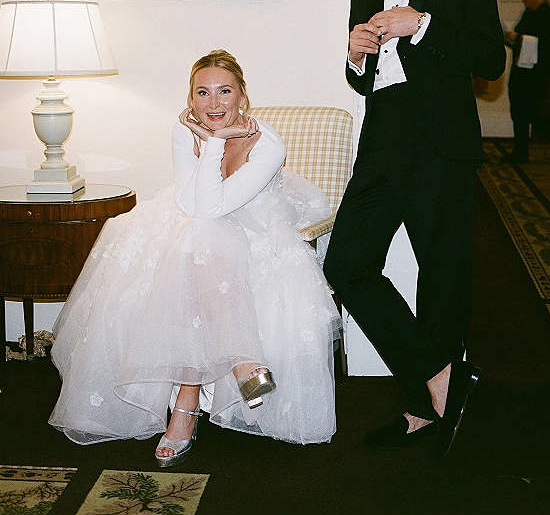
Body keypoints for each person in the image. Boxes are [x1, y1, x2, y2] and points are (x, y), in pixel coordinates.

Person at [49, 50, 341, 463]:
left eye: (224, 91)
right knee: (196, 238)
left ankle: (184, 412)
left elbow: (216, 208)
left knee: (198, 241)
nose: (214, 103)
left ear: (242, 95)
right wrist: (213, 143)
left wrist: (214, 143)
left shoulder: (268, 142)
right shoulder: (185, 130)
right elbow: (193, 203)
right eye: (202, 93)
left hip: (254, 230)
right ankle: (244, 362)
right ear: (191, 99)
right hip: (198, 225)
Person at [323, 0, 506, 455]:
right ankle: (443, 381)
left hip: (442, 144)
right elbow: (365, 80)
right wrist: (356, 53)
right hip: (382, 141)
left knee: (443, 277)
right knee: (346, 264)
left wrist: (421, 24)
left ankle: (425, 411)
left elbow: (489, 61)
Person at [504, 0, 550, 163]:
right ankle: (520, 151)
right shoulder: (529, 13)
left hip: (536, 74)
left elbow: (547, 43)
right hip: (522, 70)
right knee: (519, 112)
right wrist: (511, 37)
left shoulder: (549, 16)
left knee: (535, 113)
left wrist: (520, 37)